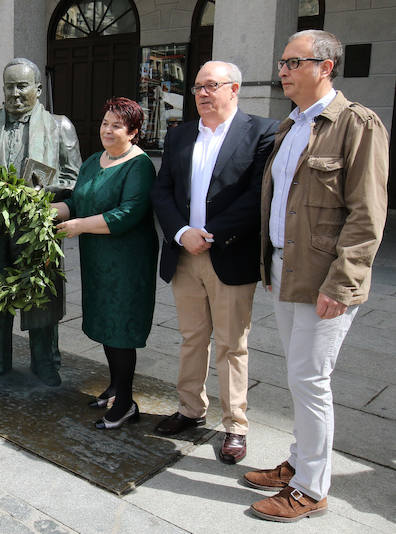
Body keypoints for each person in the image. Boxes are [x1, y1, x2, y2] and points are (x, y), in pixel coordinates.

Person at [246, 30, 388, 522]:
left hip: (326, 278)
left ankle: (311, 488)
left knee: (311, 379)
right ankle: (300, 462)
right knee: (298, 376)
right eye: (282, 61)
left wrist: (343, 283)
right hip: (287, 269)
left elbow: (367, 214)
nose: (282, 69)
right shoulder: (291, 126)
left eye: (293, 61)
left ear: (325, 67)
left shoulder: (356, 124)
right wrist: (268, 262)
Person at [150, 61, 278, 463]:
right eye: (197, 88)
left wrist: (211, 234)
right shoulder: (180, 135)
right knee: (192, 339)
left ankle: (235, 425)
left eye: (212, 86)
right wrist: (181, 232)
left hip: (229, 254)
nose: (203, 94)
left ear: (234, 89)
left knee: (231, 344)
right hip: (185, 254)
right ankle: (190, 409)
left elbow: (258, 193)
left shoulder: (262, 131)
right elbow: (162, 191)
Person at [0, 57, 82, 386]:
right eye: (9, 87)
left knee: (41, 297)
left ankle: (46, 362)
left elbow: (76, 179)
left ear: (38, 89)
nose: (15, 94)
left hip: (36, 230)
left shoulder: (60, 127)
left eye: (22, 86)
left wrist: (46, 193)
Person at [51, 97, 157, 429]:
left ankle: (125, 403)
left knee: (121, 328)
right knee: (106, 325)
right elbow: (78, 201)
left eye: (117, 126)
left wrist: (79, 225)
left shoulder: (139, 166)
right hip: (98, 258)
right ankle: (114, 387)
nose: (107, 130)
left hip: (127, 261)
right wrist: (47, 211)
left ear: (134, 132)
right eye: (105, 123)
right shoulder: (95, 160)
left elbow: (127, 215)